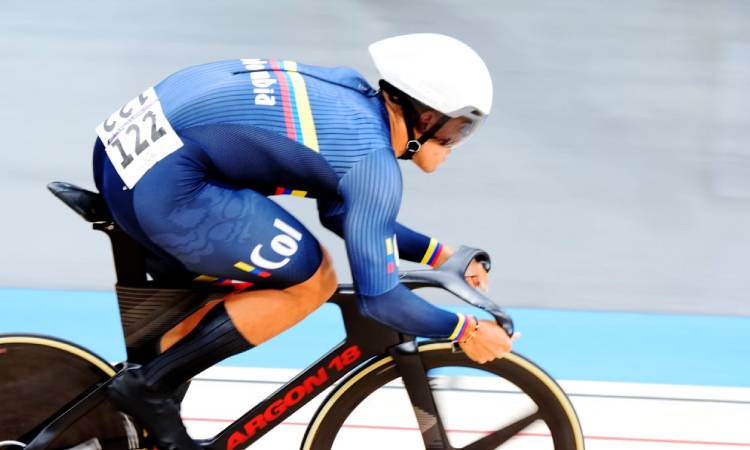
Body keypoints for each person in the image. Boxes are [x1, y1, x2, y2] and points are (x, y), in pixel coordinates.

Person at [95, 33, 514, 449]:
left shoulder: (350, 92)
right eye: (458, 128)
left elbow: (342, 212)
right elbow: (381, 300)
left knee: (197, 313)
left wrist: (441, 255)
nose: (456, 143)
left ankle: (148, 402)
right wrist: (467, 329)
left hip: (123, 157)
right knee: (313, 279)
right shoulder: (373, 164)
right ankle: (149, 388)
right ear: (424, 117)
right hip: (168, 187)